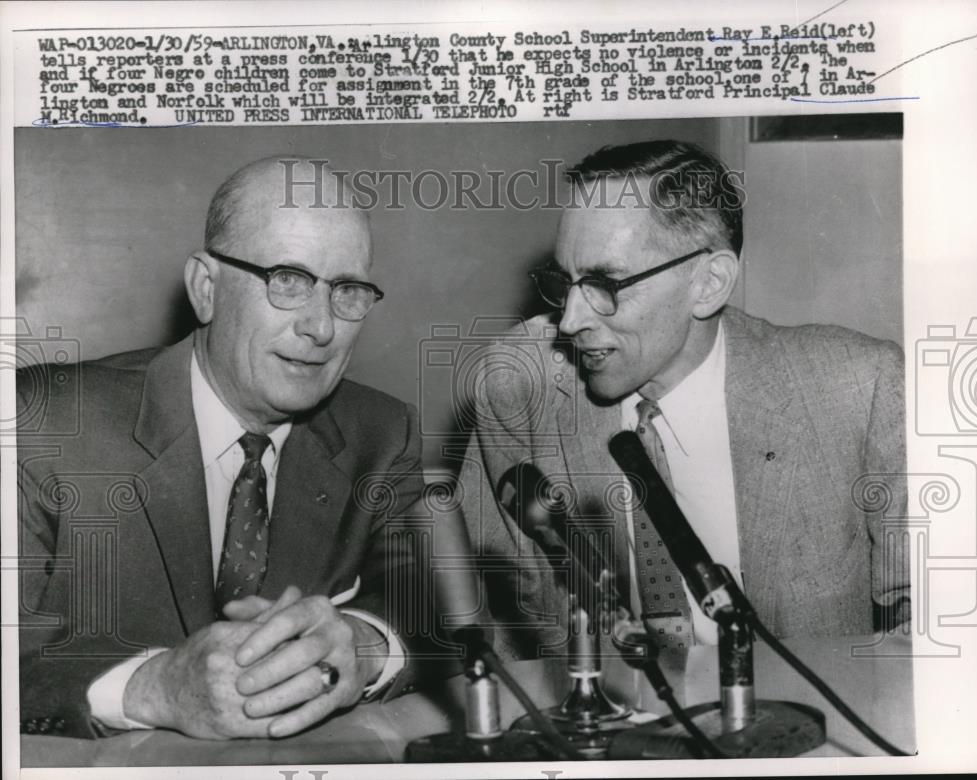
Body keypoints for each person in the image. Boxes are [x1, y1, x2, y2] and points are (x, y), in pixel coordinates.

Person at [17, 157, 426, 739]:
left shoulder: (382, 433)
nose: (321, 327)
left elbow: (432, 616)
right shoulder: (43, 423)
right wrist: (152, 688)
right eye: (288, 280)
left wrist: (363, 643)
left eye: (348, 290)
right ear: (206, 289)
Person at [458, 140, 909, 661]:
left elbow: (928, 623)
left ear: (709, 283)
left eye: (604, 282)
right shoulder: (519, 382)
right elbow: (497, 618)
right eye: (565, 281)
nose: (570, 320)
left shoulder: (856, 386)